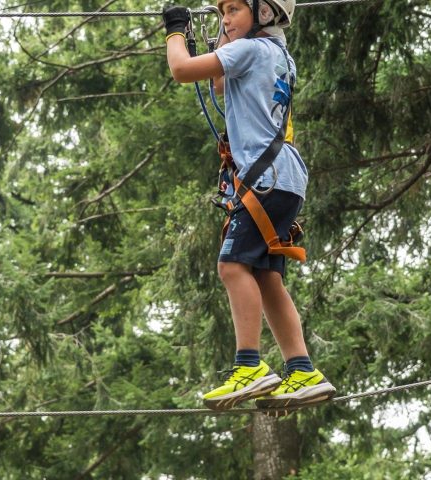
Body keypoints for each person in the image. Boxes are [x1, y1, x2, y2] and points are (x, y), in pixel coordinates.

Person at [162, 0, 335, 412]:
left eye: (235, 9)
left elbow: (182, 70)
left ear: (264, 13)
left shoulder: (250, 50)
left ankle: (249, 365)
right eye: (222, 11)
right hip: (283, 179)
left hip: (264, 179)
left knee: (231, 266)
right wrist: (227, 30)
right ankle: (302, 369)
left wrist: (175, 31)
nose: (225, 19)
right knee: (266, 278)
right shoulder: (277, 54)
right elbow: (221, 84)